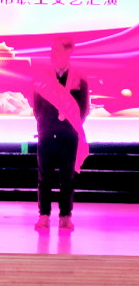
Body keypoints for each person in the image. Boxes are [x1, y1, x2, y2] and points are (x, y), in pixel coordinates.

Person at [33, 36, 89, 231]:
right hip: (47, 134)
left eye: (57, 49)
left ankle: (65, 215)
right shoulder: (42, 78)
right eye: (52, 49)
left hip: (69, 136)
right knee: (44, 177)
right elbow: (37, 107)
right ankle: (44, 215)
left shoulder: (79, 79)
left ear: (68, 52)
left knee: (67, 178)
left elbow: (83, 109)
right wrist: (44, 125)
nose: (52, 53)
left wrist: (72, 126)